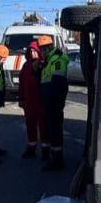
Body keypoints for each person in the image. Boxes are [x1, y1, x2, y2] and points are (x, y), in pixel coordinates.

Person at [38, 35, 69, 171]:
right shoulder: (49, 60)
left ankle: (57, 161)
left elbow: (57, 83)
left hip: (54, 102)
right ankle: (54, 157)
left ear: (50, 47)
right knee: (52, 130)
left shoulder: (57, 59)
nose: (42, 52)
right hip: (49, 101)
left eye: (44, 49)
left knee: (55, 130)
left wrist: (51, 100)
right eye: (41, 49)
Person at [18, 40, 48, 158]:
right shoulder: (25, 66)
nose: (32, 53)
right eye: (30, 51)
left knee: (44, 127)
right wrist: (21, 99)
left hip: (41, 101)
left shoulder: (43, 64)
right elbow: (21, 83)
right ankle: (31, 148)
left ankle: (46, 151)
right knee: (30, 126)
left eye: (34, 50)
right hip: (28, 102)